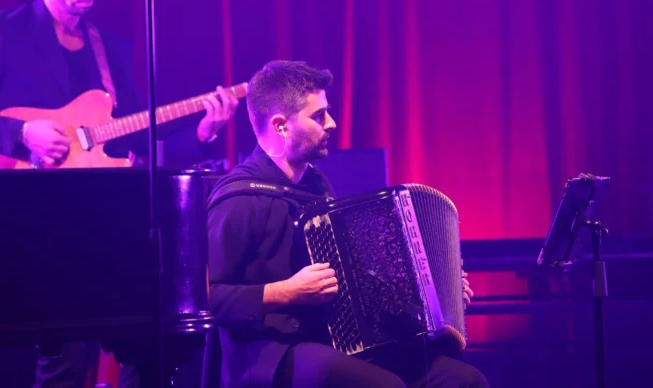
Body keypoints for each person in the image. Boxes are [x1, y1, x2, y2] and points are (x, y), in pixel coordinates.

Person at [0, 0, 239, 387]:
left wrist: (202, 132)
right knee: (64, 362)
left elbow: (137, 136)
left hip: (105, 220)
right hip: (34, 222)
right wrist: (22, 133)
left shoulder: (109, 48)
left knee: (153, 347)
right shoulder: (3, 30)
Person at [202, 60, 487, 388]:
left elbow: (353, 282)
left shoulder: (316, 186)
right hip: (267, 354)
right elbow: (207, 299)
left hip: (329, 341)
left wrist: (434, 294)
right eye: (318, 116)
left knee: (461, 379)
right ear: (281, 126)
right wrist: (287, 291)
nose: (332, 123)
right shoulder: (238, 198)